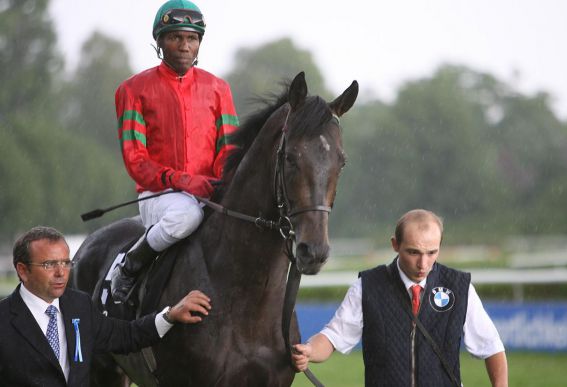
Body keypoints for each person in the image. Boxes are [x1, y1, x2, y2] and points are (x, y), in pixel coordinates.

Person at [111, 0, 239, 302]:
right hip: (159, 196)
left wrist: (219, 183)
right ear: (160, 42)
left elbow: (229, 149)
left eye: (191, 38)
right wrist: (182, 181)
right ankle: (130, 265)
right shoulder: (132, 90)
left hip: (210, 191)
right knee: (187, 215)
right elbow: (135, 159)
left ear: (199, 44)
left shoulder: (219, 88)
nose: (184, 45)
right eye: (175, 37)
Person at [292, 209, 508, 387]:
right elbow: (332, 337)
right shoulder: (367, 286)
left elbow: (492, 347)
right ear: (395, 245)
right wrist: (309, 351)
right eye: (413, 252)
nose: (423, 264)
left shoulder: (459, 287)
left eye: (432, 252)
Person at [0, 226, 212, 386]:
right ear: (22, 270)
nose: (61, 272)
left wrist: (171, 315)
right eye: (49, 264)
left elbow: (128, 335)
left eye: (65, 262)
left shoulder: (79, 306)